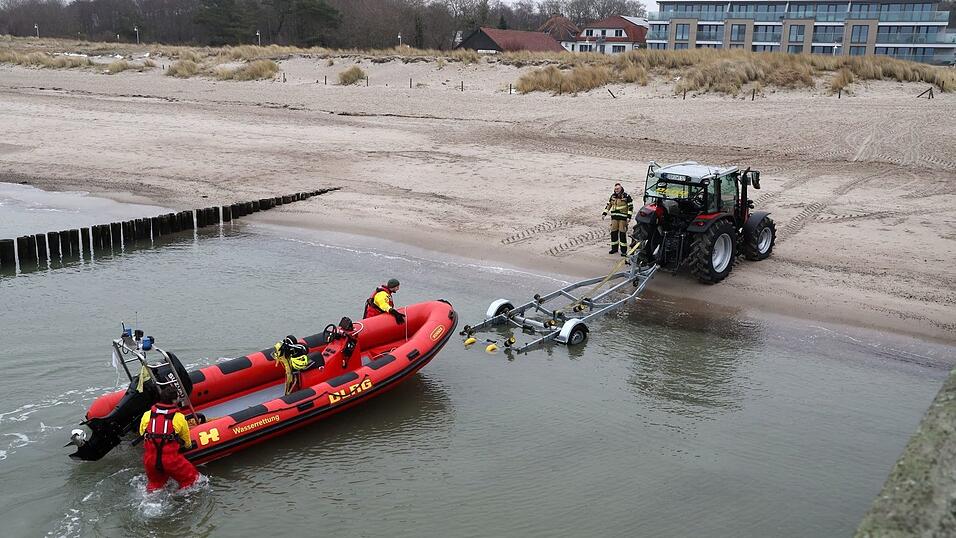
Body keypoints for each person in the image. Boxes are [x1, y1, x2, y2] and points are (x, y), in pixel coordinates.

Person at [139, 386, 199, 492]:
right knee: (192, 479)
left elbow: (142, 432)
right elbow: (186, 440)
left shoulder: (147, 415)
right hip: (170, 460)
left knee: (155, 486)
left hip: (150, 460)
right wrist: (188, 446)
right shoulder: (179, 418)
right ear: (174, 401)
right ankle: (181, 500)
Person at [602, 183, 633, 256]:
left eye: (617, 189)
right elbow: (609, 205)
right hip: (614, 218)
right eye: (615, 189)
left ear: (621, 188)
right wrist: (604, 213)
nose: (616, 190)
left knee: (622, 234)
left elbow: (630, 207)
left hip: (622, 218)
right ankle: (614, 249)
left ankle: (623, 251)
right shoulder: (613, 196)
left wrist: (629, 217)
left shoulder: (626, 197)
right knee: (613, 233)